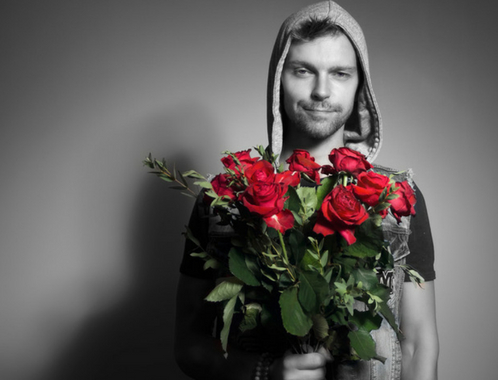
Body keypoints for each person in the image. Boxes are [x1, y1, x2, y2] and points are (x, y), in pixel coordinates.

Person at [174, 2, 439, 379]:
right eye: (303, 71)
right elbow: (188, 344)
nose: (321, 91)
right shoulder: (224, 202)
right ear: (279, 78)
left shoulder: (397, 196)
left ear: (360, 86)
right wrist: (264, 371)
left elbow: (417, 344)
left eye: (340, 73)